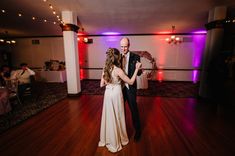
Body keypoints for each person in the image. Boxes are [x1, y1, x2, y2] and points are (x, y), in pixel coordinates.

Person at [98, 48, 142, 153]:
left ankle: (108, 138)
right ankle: (118, 139)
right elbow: (131, 82)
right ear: (117, 57)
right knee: (118, 116)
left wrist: (109, 82)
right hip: (116, 94)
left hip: (108, 94)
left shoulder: (105, 68)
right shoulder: (118, 70)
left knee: (109, 116)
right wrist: (136, 69)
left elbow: (101, 84)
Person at [120, 37, 142, 142]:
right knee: (119, 109)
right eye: (122, 46)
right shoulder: (118, 57)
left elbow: (139, 73)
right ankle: (120, 130)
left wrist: (139, 69)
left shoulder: (135, 57)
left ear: (129, 45)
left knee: (134, 109)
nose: (123, 49)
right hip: (119, 88)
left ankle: (138, 130)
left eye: (125, 46)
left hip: (130, 88)